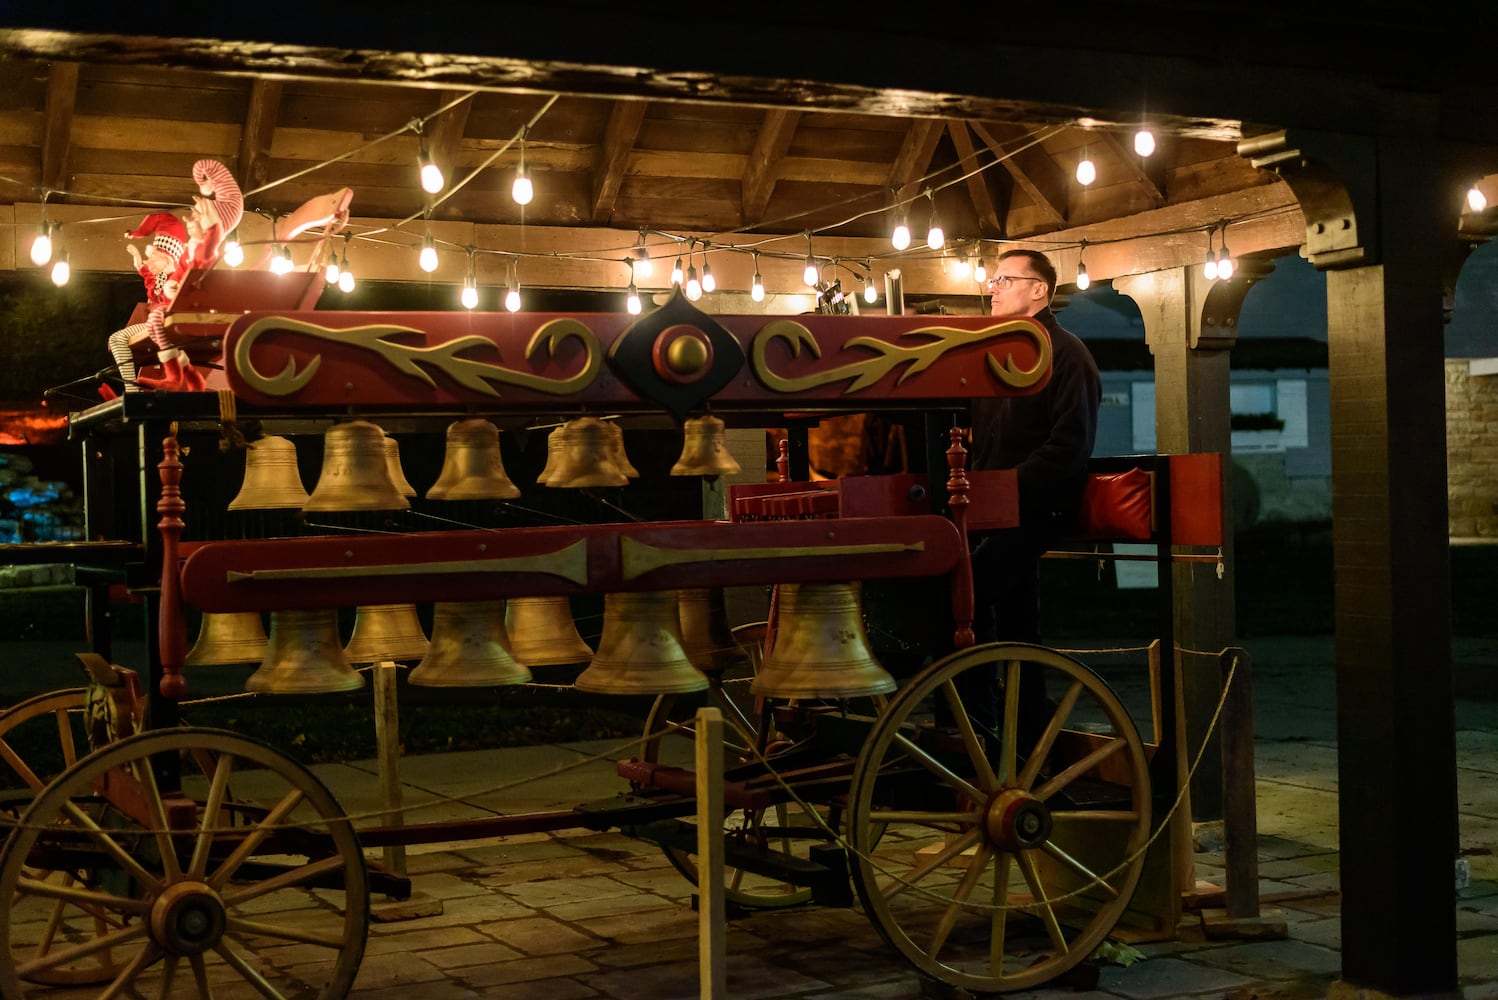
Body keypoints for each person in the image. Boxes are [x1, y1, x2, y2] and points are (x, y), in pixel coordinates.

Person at [962, 248, 1101, 730]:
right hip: (988, 510)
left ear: (1039, 289)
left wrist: (1001, 490)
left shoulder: (1069, 355)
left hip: (1038, 508)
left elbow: (1069, 447)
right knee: (1020, 626)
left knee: (966, 597)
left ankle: (977, 732)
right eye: (992, 280)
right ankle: (1021, 740)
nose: (991, 289)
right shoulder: (993, 353)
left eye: (1003, 279)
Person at [105, 159, 243, 392]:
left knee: (156, 318)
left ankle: (166, 378)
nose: (191, 225)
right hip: (167, 314)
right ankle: (170, 379)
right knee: (130, 333)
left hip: (178, 314)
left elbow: (205, 254)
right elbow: (161, 279)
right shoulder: (186, 260)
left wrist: (213, 226)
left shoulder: (200, 254)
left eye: (196, 222)